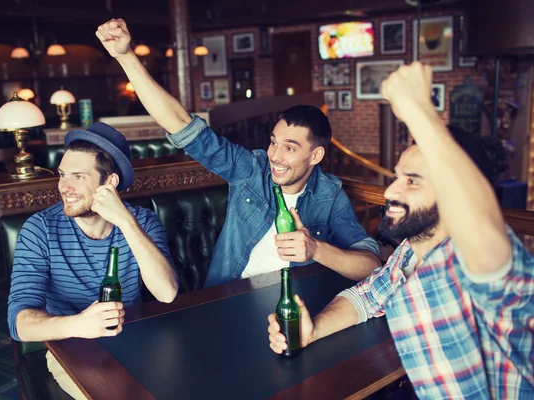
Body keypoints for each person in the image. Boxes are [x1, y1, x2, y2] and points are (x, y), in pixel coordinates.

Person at [268, 62, 534, 398]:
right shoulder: (409, 254)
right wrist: (314, 329)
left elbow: (481, 226)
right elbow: (365, 297)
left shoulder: (480, 261)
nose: (391, 191)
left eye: (413, 182)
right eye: (397, 177)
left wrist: (420, 110)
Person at [95, 18, 381, 288]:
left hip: (293, 302)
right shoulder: (251, 169)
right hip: (230, 298)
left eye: (290, 148)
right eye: (273, 142)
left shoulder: (330, 195)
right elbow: (182, 125)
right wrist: (125, 57)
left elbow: (370, 264)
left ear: (315, 156)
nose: (276, 156)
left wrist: (316, 249)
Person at [7, 122, 178, 399]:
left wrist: (125, 222)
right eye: (62, 175)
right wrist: (78, 324)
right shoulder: (40, 229)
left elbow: (167, 292)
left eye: (78, 176)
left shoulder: (142, 222)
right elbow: (19, 323)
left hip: (137, 339)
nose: (64, 187)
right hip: (72, 349)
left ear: (109, 183)